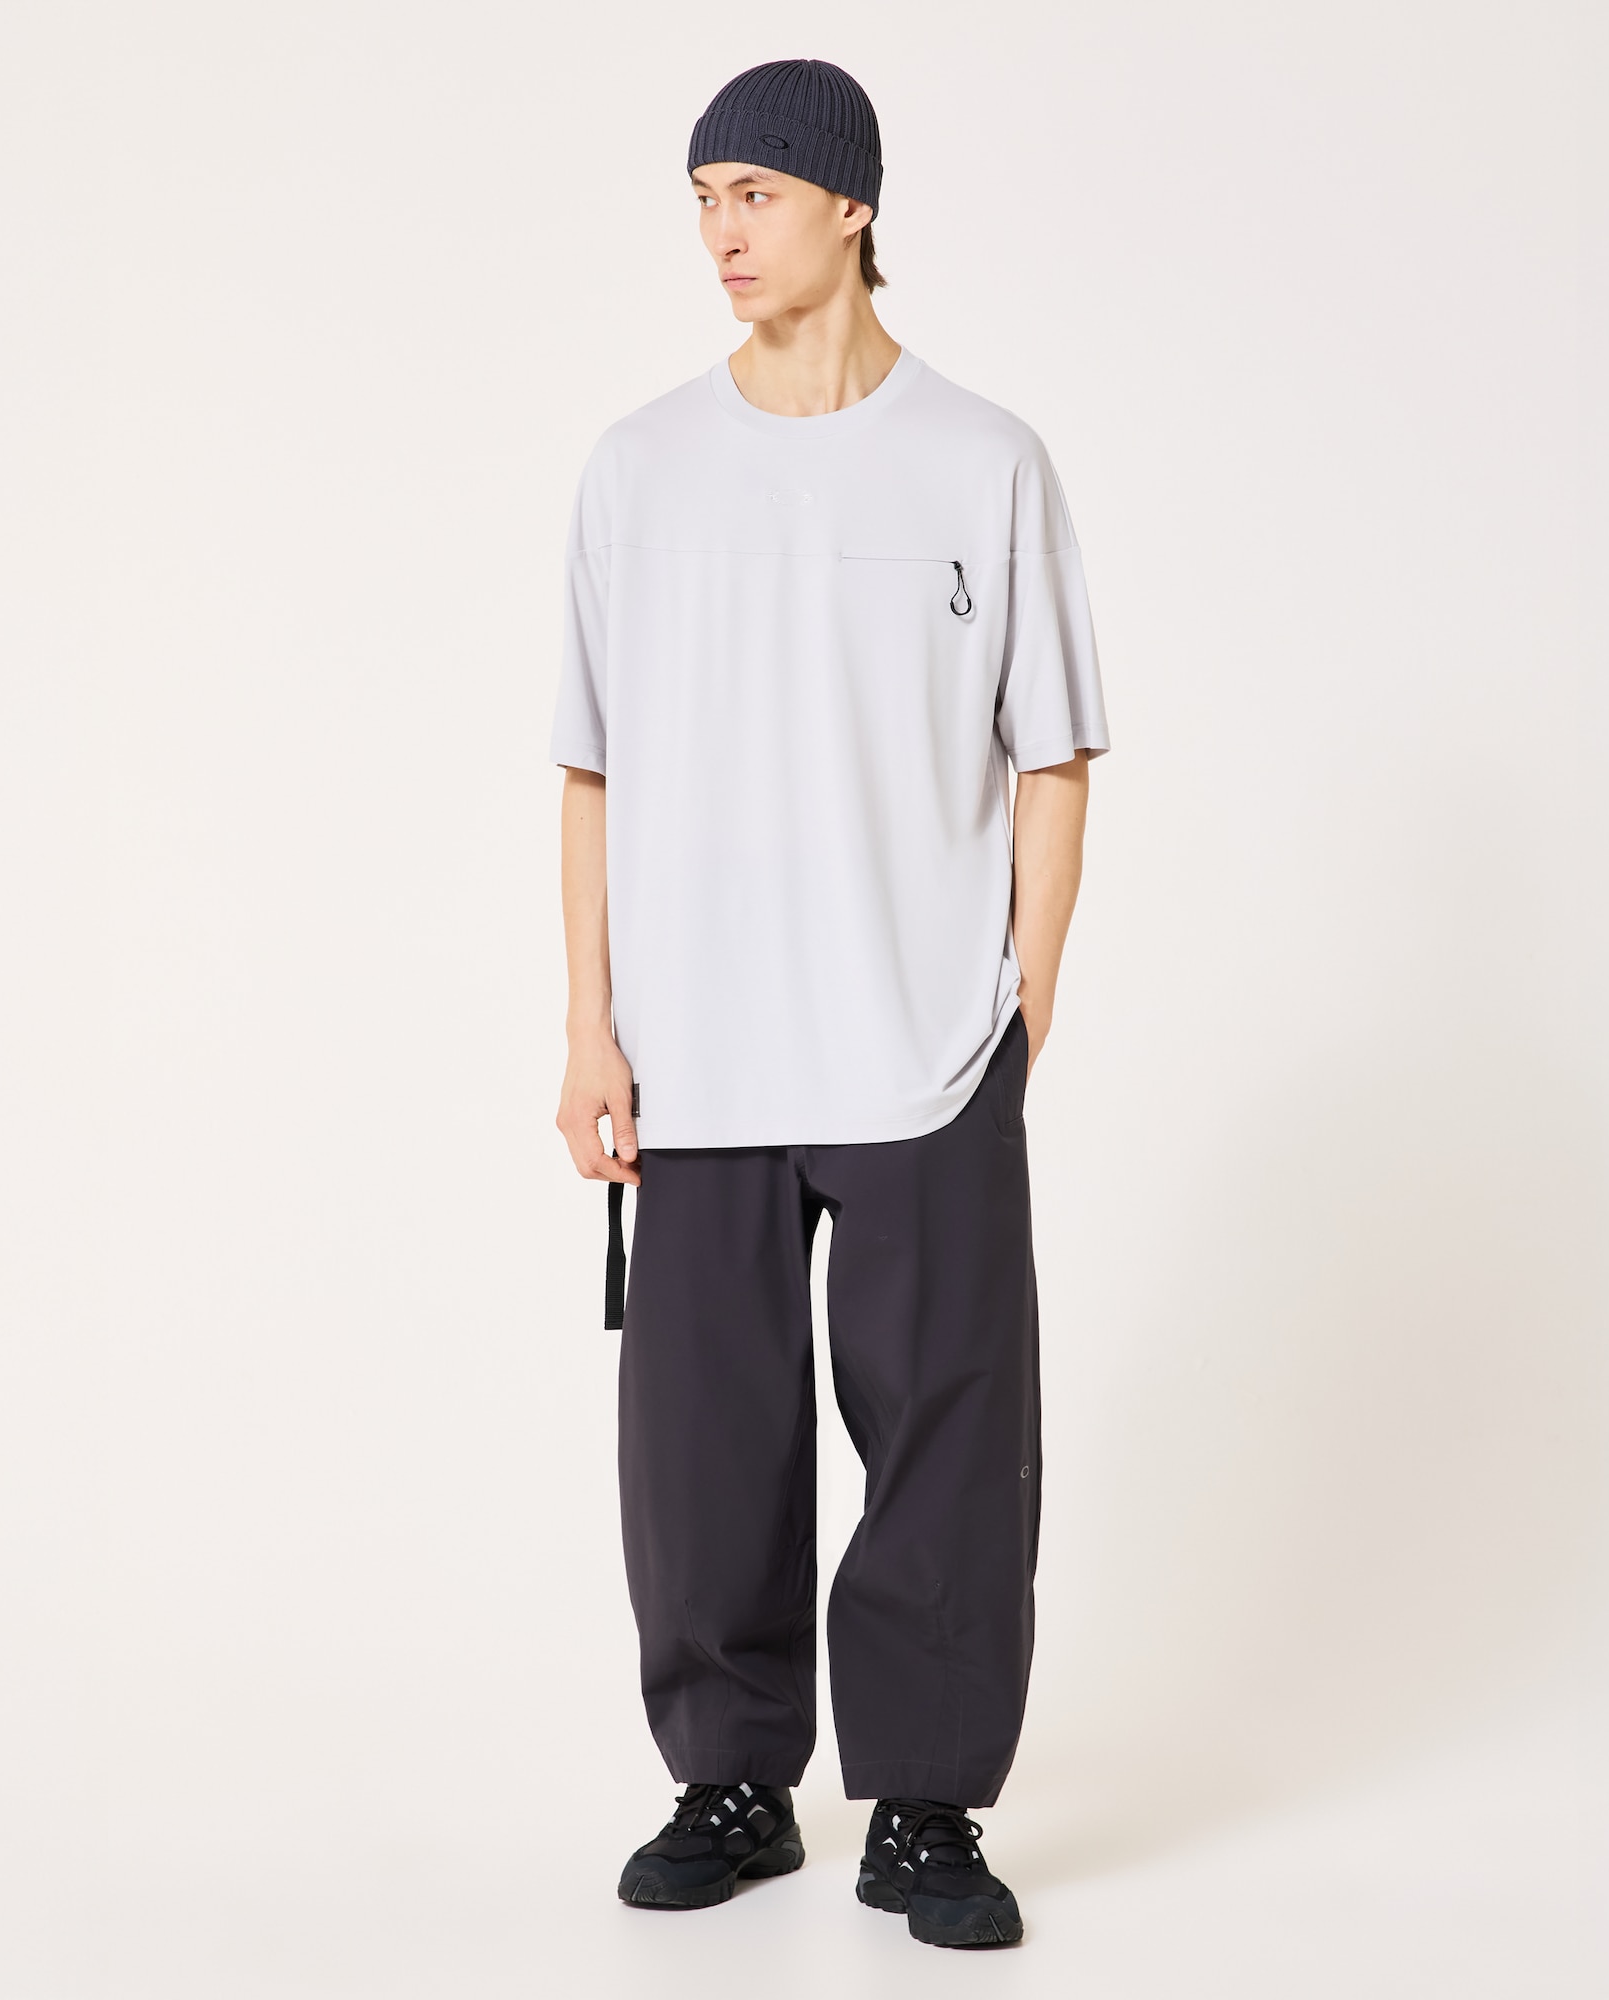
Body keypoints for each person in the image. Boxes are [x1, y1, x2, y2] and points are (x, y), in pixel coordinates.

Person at [550, 57, 1108, 1951]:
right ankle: (732, 1782)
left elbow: (1054, 752)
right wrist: (588, 1025)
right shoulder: (639, 469)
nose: (721, 232)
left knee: (954, 1426)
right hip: (697, 1046)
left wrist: (1022, 997)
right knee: (700, 1445)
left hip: (922, 1039)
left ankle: (927, 1808)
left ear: (850, 204)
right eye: (703, 196)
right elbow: (589, 767)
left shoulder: (983, 460)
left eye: (757, 194)